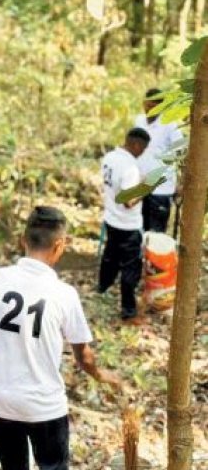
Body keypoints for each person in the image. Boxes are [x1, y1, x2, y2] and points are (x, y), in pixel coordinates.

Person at [0, 206, 121, 470]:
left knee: (14, 468)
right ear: (60, 245)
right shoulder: (64, 294)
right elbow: (83, 356)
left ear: (22, 240)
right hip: (44, 405)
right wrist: (101, 375)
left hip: (2, 400)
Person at [99, 128, 151, 324]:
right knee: (131, 268)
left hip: (111, 219)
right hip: (128, 225)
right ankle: (129, 311)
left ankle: (102, 288)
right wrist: (146, 187)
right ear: (136, 144)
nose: (143, 153)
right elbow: (128, 202)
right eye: (143, 149)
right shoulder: (130, 167)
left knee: (110, 256)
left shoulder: (110, 157)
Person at [135, 88, 184, 233]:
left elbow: (181, 152)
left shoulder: (170, 125)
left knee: (156, 233)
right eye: (147, 105)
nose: (149, 109)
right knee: (138, 230)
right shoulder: (138, 121)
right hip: (139, 186)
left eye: (153, 106)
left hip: (161, 188)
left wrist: (181, 183)